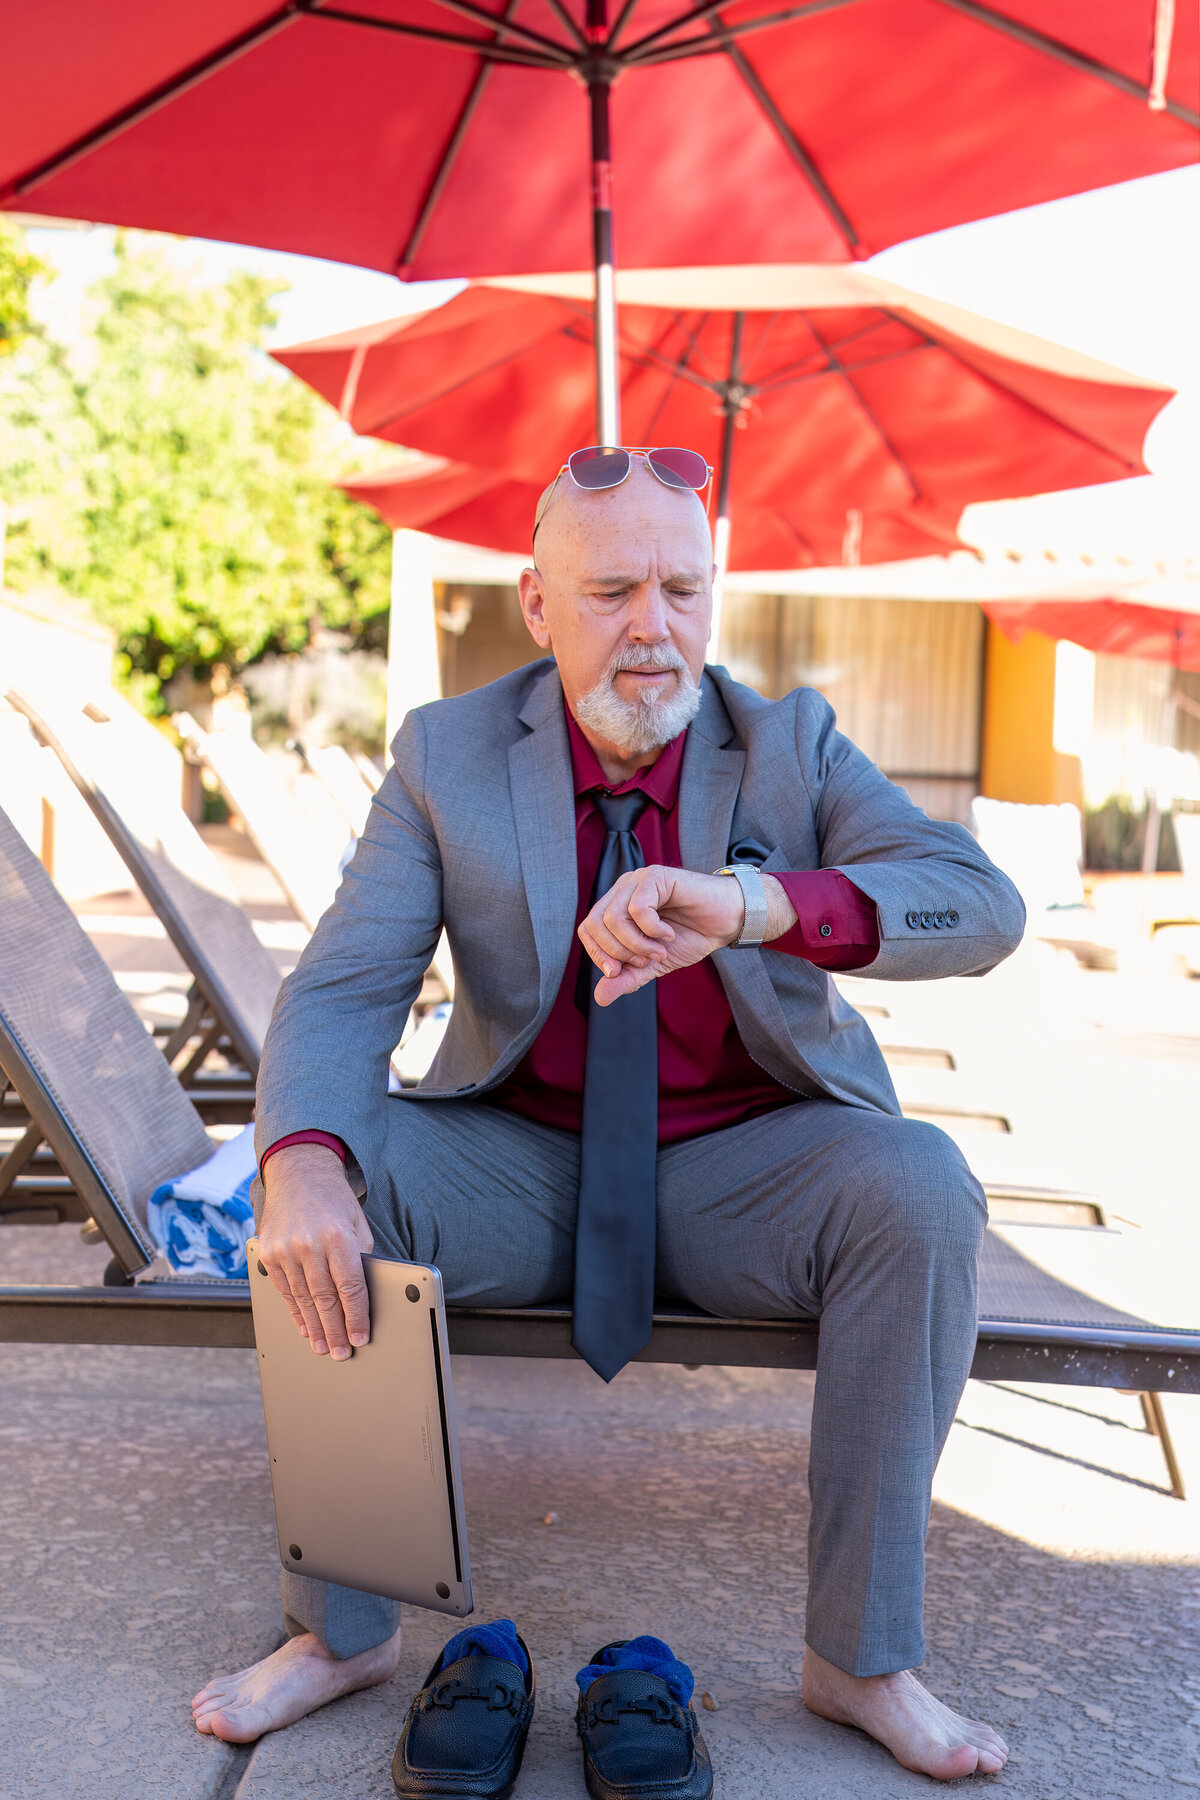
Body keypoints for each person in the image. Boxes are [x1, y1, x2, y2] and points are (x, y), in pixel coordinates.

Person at [193, 446, 1024, 1782]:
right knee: (345, 1173)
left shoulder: (788, 742)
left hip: (751, 1166)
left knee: (920, 1184)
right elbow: (348, 986)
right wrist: (297, 1162)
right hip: (521, 1160)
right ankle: (340, 1631)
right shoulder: (448, 753)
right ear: (536, 601)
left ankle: (859, 1659)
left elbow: (977, 904)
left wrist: (753, 904)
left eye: (684, 589)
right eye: (615, 589)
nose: (656, 628)